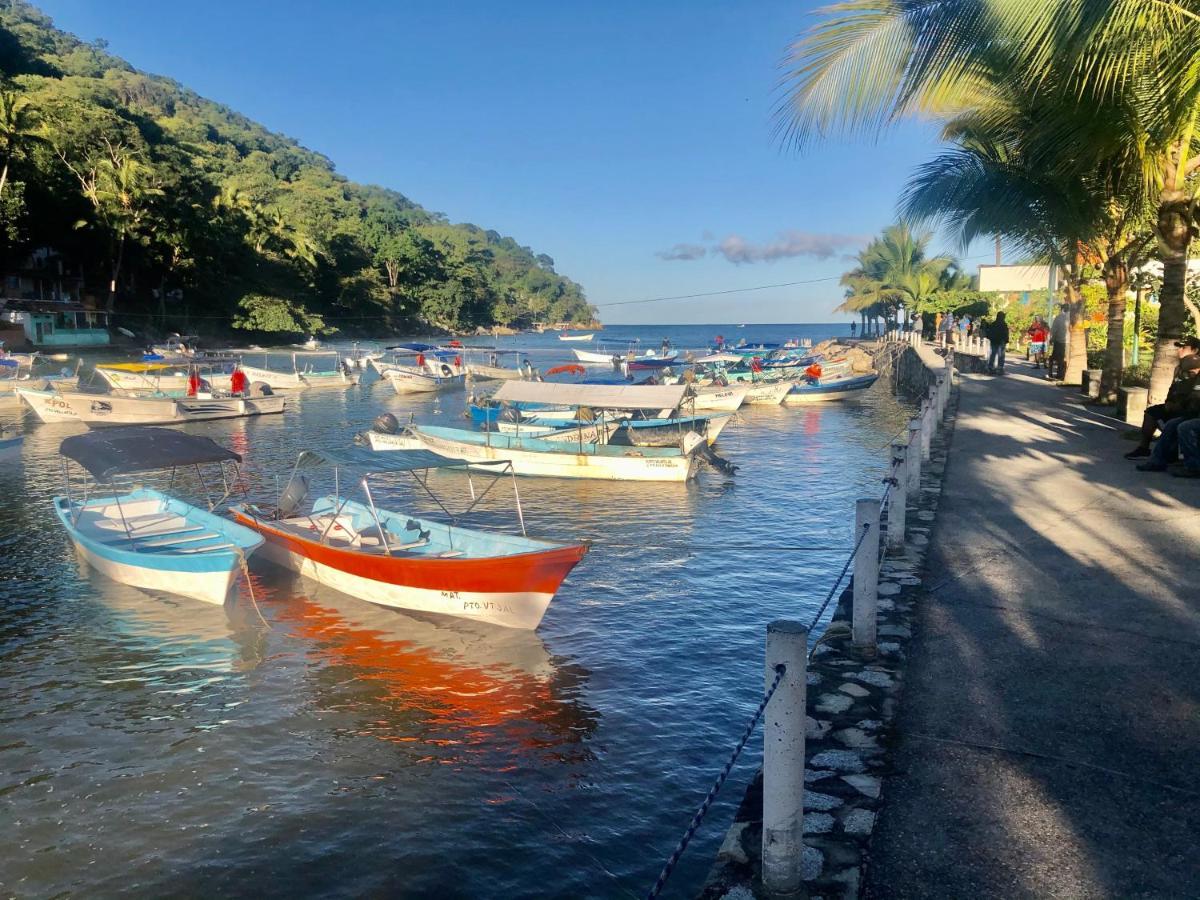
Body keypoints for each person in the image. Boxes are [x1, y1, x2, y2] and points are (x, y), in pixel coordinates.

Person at [1125, 338, 1200, 458]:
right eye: (1179, 347)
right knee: (1151, 413)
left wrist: (1180, 405)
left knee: (1176, 423)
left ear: (1195, 350)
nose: (1179, 350)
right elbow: (1172, 389)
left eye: (1184, 347)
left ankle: (1171, 454)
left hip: (1190, 408)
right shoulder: (1179, 368)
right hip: (1175, 405)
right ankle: (1144, 448)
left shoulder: (1196, 369)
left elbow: (1195, 395)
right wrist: (1168, 403)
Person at [1049, 303, 1069, 380]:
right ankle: (1065, 374)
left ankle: (1058, 374)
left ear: (1062, 309)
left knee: (1058, 359)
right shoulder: (1072, 317)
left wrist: (1052, 339)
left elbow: (1054, 330)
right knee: (1067, 358)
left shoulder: (1059, 318)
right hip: (1069, 342)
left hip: (1060, 341)